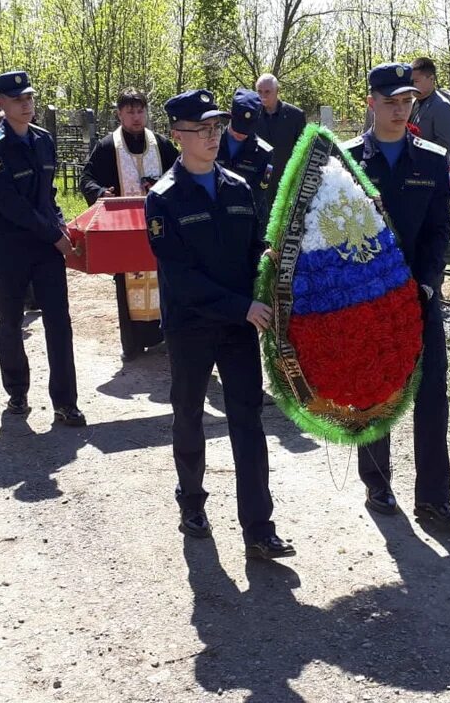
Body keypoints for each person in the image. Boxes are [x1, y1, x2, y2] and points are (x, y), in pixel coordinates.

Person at [144, 88, 294, 561]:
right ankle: (192, 501)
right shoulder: (162, 199)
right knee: (189, 413)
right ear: (177, 136)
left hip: (236, 326)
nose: (213, 136)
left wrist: (267, 258)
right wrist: (242, 307)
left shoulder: (236, 187)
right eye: (202, 129)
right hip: (192, 326)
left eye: (215, 127)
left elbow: (251, 245)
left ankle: (259, 528)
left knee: (248, 419)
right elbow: (181, 278)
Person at [340, 62, 450, 528]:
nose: (400, 109)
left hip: (420, 296)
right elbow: (337, 234)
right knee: (375, 392)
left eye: (407, 101)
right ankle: (377, 483)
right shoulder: (347, 161)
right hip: (371, 301)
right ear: (371, 103)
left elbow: (439, 228)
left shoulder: (432, 160)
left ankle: (434, 497)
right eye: (391, 101)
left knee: (432, 391)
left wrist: (428, 282)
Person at [0, 70, 84, 427]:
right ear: (0, 104)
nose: (26, 104)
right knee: (10, 320)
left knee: (59, 322)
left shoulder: (43, 140)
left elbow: (47, 195)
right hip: (10, 247)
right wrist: (53, 234)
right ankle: (17, 393)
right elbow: (12, 205)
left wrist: (61, 224)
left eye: (29, 98)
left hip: (45, 247)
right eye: (18, 99)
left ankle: (65, 402)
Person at [79, 87, 179, 360]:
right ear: (119, 114)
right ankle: (132, 343)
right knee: (127, 281)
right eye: (130, 112)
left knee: (163, 277)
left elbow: (180, 174)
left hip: (158, 226)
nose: (136, 117)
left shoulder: (161, 144)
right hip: (124, 228)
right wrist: (101, 193)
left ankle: (165, 334)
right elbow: (86, 179)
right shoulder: (108, 146)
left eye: (140, 111)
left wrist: (161, 186)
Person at [216, 89, 275, 228]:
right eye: (238, 128)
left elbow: (259, 191)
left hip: (248, 221)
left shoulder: (264, 153)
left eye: (246, 130)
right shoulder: (212, 143)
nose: (241, 134)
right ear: (231, 116)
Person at [253, 73, 305, 193]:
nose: (263, 96)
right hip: (259, 181)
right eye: (259, 92)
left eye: (267, 92)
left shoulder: (295, 116)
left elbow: (302, 150)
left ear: (277, 91)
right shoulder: (253, 115)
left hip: (286, 180)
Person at [409, 56, 450, 162]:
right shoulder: (412, 103)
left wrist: (415, 148)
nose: (412, 85)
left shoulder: (442, 106)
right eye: (410, 81)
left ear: (431, 79)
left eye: (416, 81)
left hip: (431, 168)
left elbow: (444, 146)